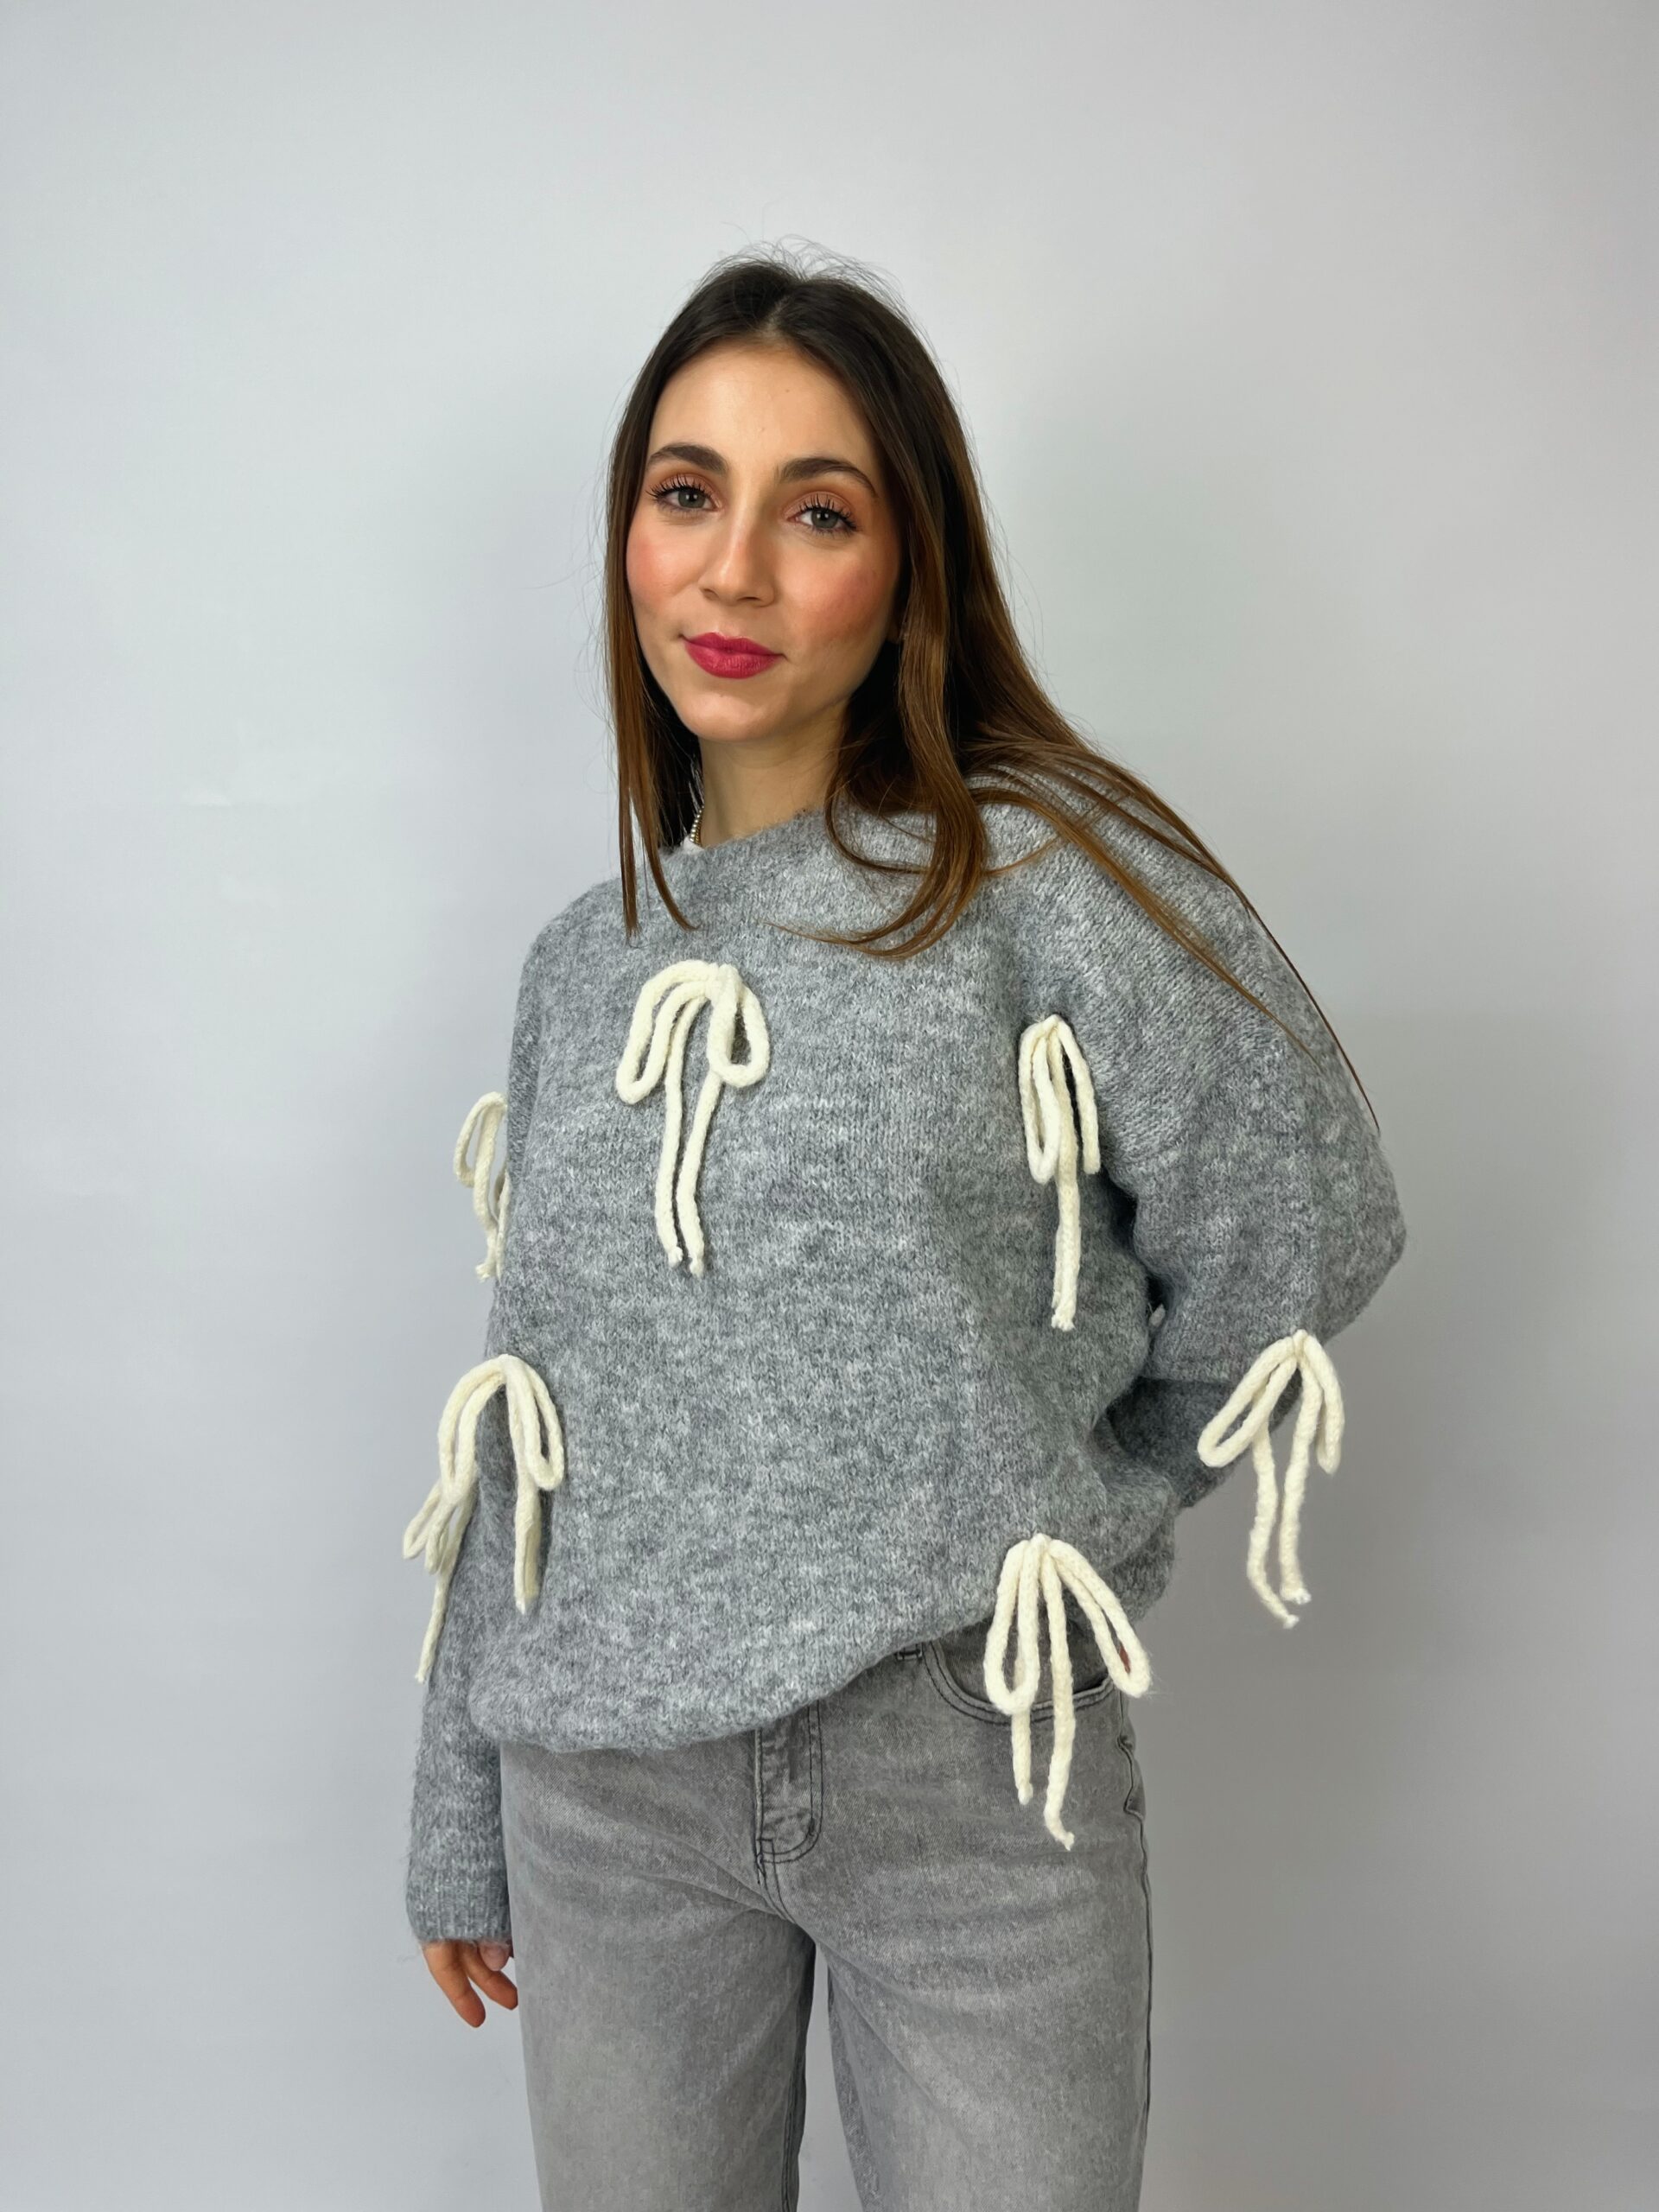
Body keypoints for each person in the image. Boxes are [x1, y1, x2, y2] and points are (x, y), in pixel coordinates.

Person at [399, 245, 1408, 2212]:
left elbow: (1305, 1222)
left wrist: (1064, 1497)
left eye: (819, 512)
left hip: (970, 1775)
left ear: (907, 564)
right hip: (604, 1803)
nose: (734, 573)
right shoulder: (584, 965)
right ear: (628, 539)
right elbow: (524, 1422)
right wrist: (458, 1805)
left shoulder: (1037, 876)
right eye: (687, 493)